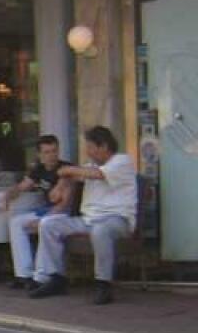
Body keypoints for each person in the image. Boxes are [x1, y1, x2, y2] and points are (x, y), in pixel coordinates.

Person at [30, 126, 137, 305]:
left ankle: (104, 284)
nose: (87, 151)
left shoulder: (122, 161)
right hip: (87, 220)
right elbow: (71, 177)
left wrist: (68, 171)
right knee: (49, 224)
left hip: (117, 220)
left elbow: (98, 175)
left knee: (100, 231)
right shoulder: (89, 166)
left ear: (103, 146)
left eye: (90, 147)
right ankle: (56, 278)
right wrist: (61, 184)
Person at [6, 135, 72, 289]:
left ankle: (41, 277)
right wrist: (7, 197)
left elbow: (65, 203)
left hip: (63, 213)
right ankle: (24, 275)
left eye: (54, 151)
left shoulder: (66, 170)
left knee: (44, 224)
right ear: (40, 155)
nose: (52, 155)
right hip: (45, 211)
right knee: (16, 222)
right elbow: (23, 186)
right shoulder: (39, 169)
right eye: (47, 152)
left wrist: (45, 218)